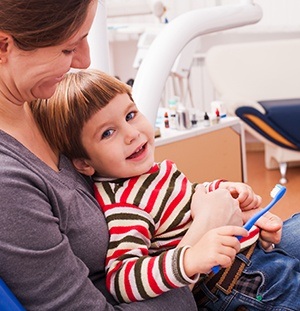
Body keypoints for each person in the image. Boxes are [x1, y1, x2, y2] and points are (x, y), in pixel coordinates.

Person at [30, 69, 300, 310]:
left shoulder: (152, 173)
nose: (131, 133)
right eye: (107, 133)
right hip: (242, 284)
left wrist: (228, 192)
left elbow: (186, 201)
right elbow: (122, 279)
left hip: (256, 258)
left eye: (130, 115)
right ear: (84, 163)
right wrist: (189, 259)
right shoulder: (126, 204)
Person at [0, 1, 199, 310]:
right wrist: (202, 235)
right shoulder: (8, 183)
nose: (84, 60)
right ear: (3, 45)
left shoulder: (41, 106)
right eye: (67, 49)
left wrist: (206, 201)